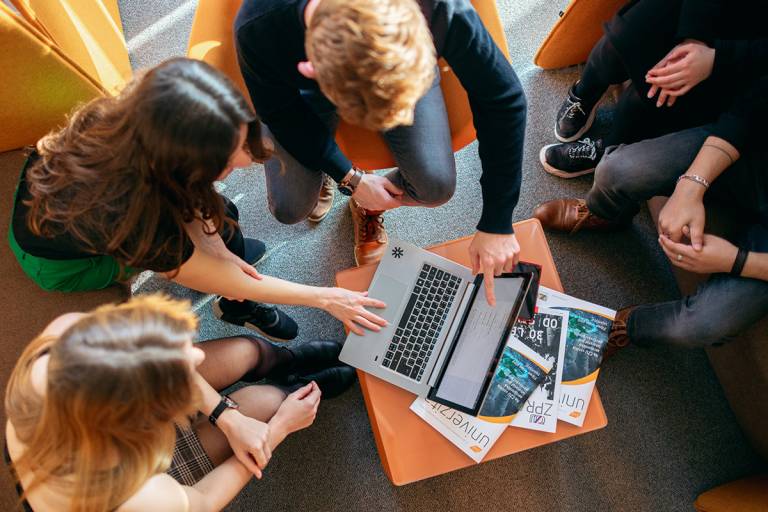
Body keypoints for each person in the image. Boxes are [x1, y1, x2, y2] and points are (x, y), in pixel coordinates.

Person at [9, 58, 387, 341]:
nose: (244, 161)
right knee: (213, 247)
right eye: (227, 158)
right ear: (182, 165)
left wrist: (219, 249)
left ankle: (231, 284)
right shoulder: (135, 218)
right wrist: (327, 298)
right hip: (61, 264)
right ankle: (238, 310)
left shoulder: (143, 122)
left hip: (76, 204)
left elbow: (197, 215)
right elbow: (197, 265)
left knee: (225, 219)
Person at [235, 0, 527, 306]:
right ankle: (329, 175)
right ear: (311, 68)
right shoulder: (258, 27)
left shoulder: (440, 7)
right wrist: (349, 177)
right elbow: (282, 114)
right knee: (290, 208)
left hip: (402, 55)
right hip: (300, 90)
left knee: (435, 186)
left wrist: (497, 220)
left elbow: (503, 100)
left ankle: (366, 204)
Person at [532, 18, 768, 351]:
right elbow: (752, 110)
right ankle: (607, 214)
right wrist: (692, 184)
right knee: (617, 169)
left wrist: (736, 260)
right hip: (755, 161)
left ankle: (628, 327)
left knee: (700, 326)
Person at [5, 295, 355, 512]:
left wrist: (224, 415)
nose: (198, 352)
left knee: (247, 351)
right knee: (266, 403)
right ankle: (291, 391)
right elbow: (203, 502)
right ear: (150, 422)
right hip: (145, 479)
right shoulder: (138, 498)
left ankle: (287, 362)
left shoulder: (65, 339)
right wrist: (279, 429)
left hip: (106, 433)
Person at [539, 0, 764, 180]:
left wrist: (717, 58)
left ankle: (608, 148)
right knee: (623, 36)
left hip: (749, 55)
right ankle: (583, 93)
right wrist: (694, 36)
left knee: (659, 87)